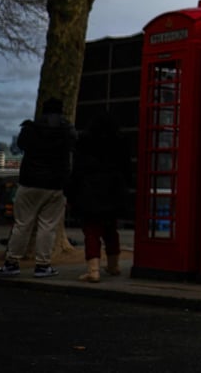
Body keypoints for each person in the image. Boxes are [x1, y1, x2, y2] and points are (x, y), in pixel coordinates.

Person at [0, 98, 77, 278]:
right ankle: (42, 265)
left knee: (22, 224)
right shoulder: (67, 131)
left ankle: (11, 263)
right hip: (56, 185)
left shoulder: (30, 128)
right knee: (48, 226)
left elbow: (20, 145)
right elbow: (74, 147)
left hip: (29, 182)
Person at [65, 111, 130, 282]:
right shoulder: (120, 142)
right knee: (111, 230)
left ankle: (93, 271)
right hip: (114, 191)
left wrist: (70, 194)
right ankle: (114, 265)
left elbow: (77, 172)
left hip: (90, 192)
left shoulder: (85, 142)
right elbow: (127, 168)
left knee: (91, 231)